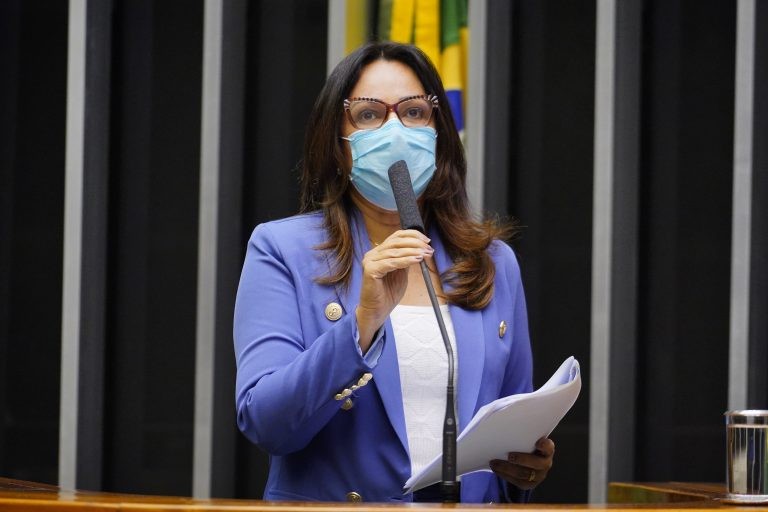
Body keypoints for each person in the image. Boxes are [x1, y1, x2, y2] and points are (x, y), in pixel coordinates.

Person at [233, 41, 555, 503]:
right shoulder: (282, 249)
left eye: (414, 112)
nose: (395, 130)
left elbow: (514, 418)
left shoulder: (492, 262)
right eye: (368, 115)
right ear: (337, 143)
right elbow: (266, 423)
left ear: (438, 130)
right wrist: (362, 324)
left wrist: (526, 466)